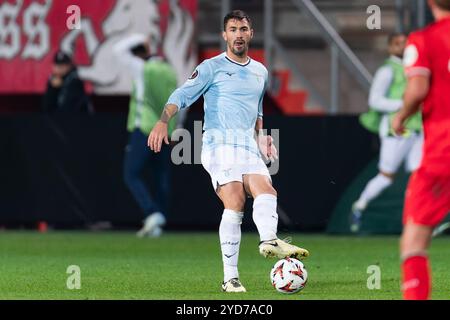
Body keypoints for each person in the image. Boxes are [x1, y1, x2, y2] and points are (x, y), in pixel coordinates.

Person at [148, 10, 309, 293]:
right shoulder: (211, 67)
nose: (238, 34)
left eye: (243, 29)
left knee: (267, 192)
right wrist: (163, 121)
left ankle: (269, 240)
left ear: (250, 33)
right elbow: (180, 96)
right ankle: (230, 278)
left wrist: (261, 138)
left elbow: (257, 112)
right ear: (225, 35)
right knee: (235, 201)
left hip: (246, 145)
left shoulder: (260, 72)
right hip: (218, 144)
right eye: (232, 29)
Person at [392, 0, 450, 300]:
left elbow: (417, 89)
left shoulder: (424, 39)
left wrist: (401, 115)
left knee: (414, 240)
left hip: (444, 149)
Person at [350, 33, 423, 233]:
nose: (402, 47)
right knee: (386, 176)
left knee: (421, 174)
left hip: (417, 127)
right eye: (398, 44)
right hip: (395, 129)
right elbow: (375, 101)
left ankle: (419, 219)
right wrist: (404, 104)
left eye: (406, 43)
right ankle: (360, 206)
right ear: (390, 48)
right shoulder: (387, 71)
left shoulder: (415, 69)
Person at [113, 34, 178, 238]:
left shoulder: (142, 68)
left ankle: (152, 213)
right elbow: (180, 102)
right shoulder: (170, 71)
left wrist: (141, 38)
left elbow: (118, 50)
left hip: (145, 128)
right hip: (166, 130)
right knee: (161, 176)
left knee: (130, 173)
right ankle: (158, 220)